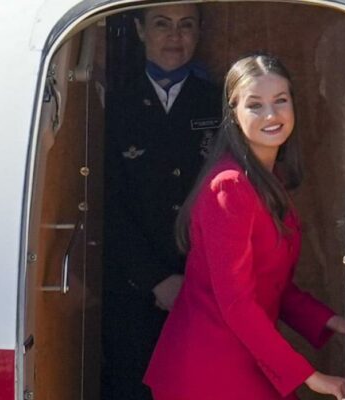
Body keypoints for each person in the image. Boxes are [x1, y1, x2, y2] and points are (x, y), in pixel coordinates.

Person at [143, 54, 345, 400]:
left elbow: (273, 286)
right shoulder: (230, 186)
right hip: (210, 371)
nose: (272, 115)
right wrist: (310, 376)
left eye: (280, 100)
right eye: (255, 105)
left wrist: (336, 323)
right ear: (234, 115)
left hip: (243, 360)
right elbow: (237, 303)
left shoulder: (268, 181)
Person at [102, 4, 221, 400]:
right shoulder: (113, 107)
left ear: (199, 33)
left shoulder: (222, 104)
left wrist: (201, 279)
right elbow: (107, 203)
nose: (175, 36)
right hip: (135, 290)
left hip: (206, 287)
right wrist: (155, 279)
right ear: (139, 31)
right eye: (162, 25)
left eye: (186, 26)